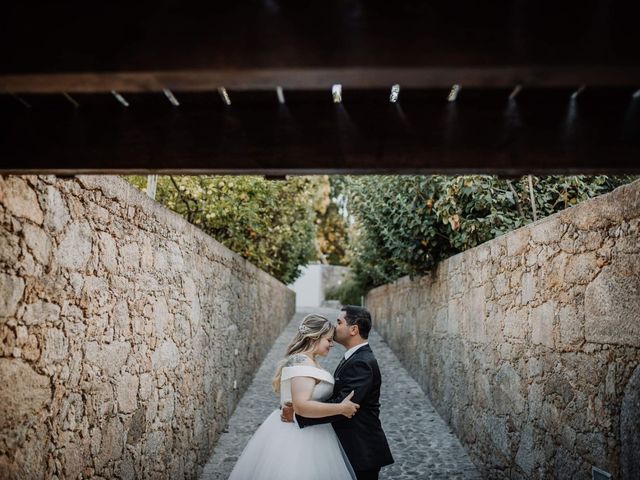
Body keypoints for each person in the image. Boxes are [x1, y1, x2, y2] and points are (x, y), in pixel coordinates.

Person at [228, 313, 360, 480]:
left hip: (314, 430)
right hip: (297, 435)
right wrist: (341, 408)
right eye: (328, 340)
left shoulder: (308, 361)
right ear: (314, 338)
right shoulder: (301, 361)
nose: (331, 344)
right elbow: (301, 406)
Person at [281, 305, 394, 480]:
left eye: (339, 322)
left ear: (354, 329)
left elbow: (344, 405)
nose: (335, 326)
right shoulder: (354, 357)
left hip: (360, 449)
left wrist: (298, 415)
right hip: (349, 447)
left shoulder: (361, 362)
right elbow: (339, 404)